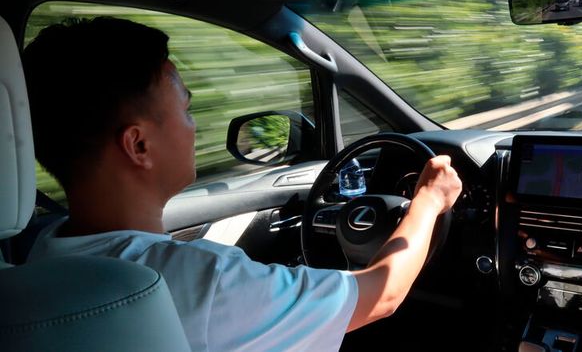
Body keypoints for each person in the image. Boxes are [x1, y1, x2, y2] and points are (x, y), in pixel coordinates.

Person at [22, 17, 462, 351]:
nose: (194, 128)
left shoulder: (41, 260)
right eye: (186, 110)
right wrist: (428, 201)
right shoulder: (200, 279)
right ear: (139, 145)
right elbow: (381, 295)